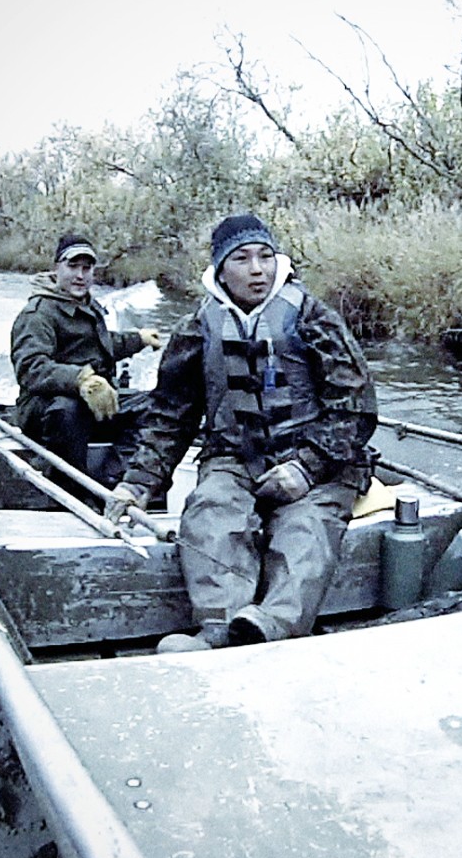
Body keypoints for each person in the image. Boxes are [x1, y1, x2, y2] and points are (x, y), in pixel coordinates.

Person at [109, 214, 378, 652]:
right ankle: (219, 629)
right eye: (242, 259)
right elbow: (169, 418)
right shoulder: (197, 327)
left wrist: (308, 468)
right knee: (210, 514)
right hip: (233, 457)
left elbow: (356, 408)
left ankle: (272, 625)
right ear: (220, 270)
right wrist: (137, 484)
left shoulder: (314, 318)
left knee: (306, 529)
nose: (258, 269)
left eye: (265, 257)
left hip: (319, 463)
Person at [10, 234, 163, 488]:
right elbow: (30, 368)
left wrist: (138, 339)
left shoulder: (89, 307)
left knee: (156, 405)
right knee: (68, 410)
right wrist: (81, 380)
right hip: (45, 410)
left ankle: (115, 478)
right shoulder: (38, 314)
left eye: (86, 268)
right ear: (56, 268)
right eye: (72, 267)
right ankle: (68, 486)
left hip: (95, 402)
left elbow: (100, 346)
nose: (80, 275)